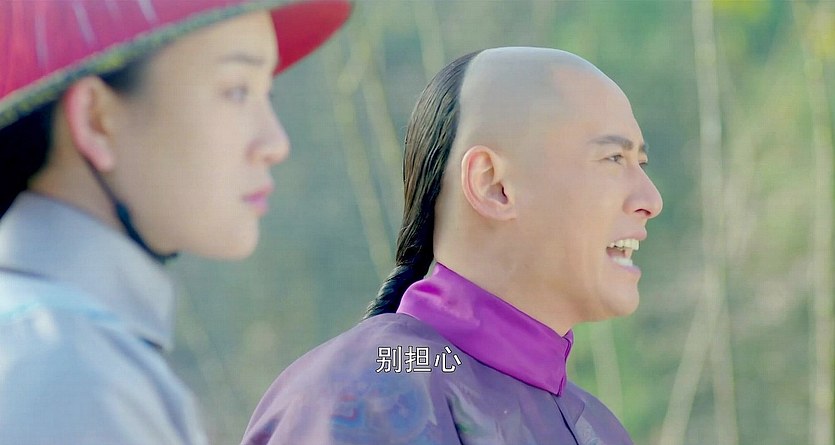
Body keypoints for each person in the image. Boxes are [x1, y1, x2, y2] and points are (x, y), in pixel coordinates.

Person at [242, 46, 663, 445]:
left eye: (640, 163)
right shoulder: (370, 393)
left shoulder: (596, 426)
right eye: (614, 158)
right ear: (493, 185)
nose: (651, 200)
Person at [0, 1, 350, 443]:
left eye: (268, 94)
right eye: (237, 91)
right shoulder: (69, 376)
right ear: (97, 119)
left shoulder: (65, 347)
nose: (275, 143)